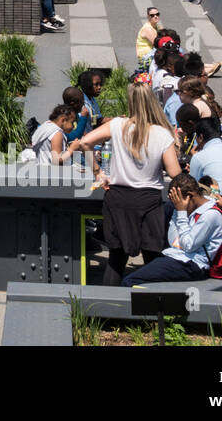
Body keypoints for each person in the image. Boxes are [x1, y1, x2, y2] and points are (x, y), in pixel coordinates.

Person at [68, 85, 181, 286]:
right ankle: (153, 310)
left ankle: (107, 311)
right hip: (149, 199)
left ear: (131, 102)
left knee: (116, 258)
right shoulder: (162, 133)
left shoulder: (118, 125)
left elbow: (85, 143)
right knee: (152, 258)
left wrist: (98, 173)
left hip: (118, 197)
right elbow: (174, 173)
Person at [121, 173, 222, 286]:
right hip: (177, 257)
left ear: (189, 196)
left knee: (129, 281)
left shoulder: (210, 215)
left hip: (193, 264)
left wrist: (181, 212)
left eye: (177, 202)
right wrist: (177, 211)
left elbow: (188, 245)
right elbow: (174, 242)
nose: (176, 206)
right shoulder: (191, 206)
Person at [188, 118, 222, 205]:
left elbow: (191, 188)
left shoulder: (199, 157)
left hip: (213, 203)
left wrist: (194, 159)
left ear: (201, 137)